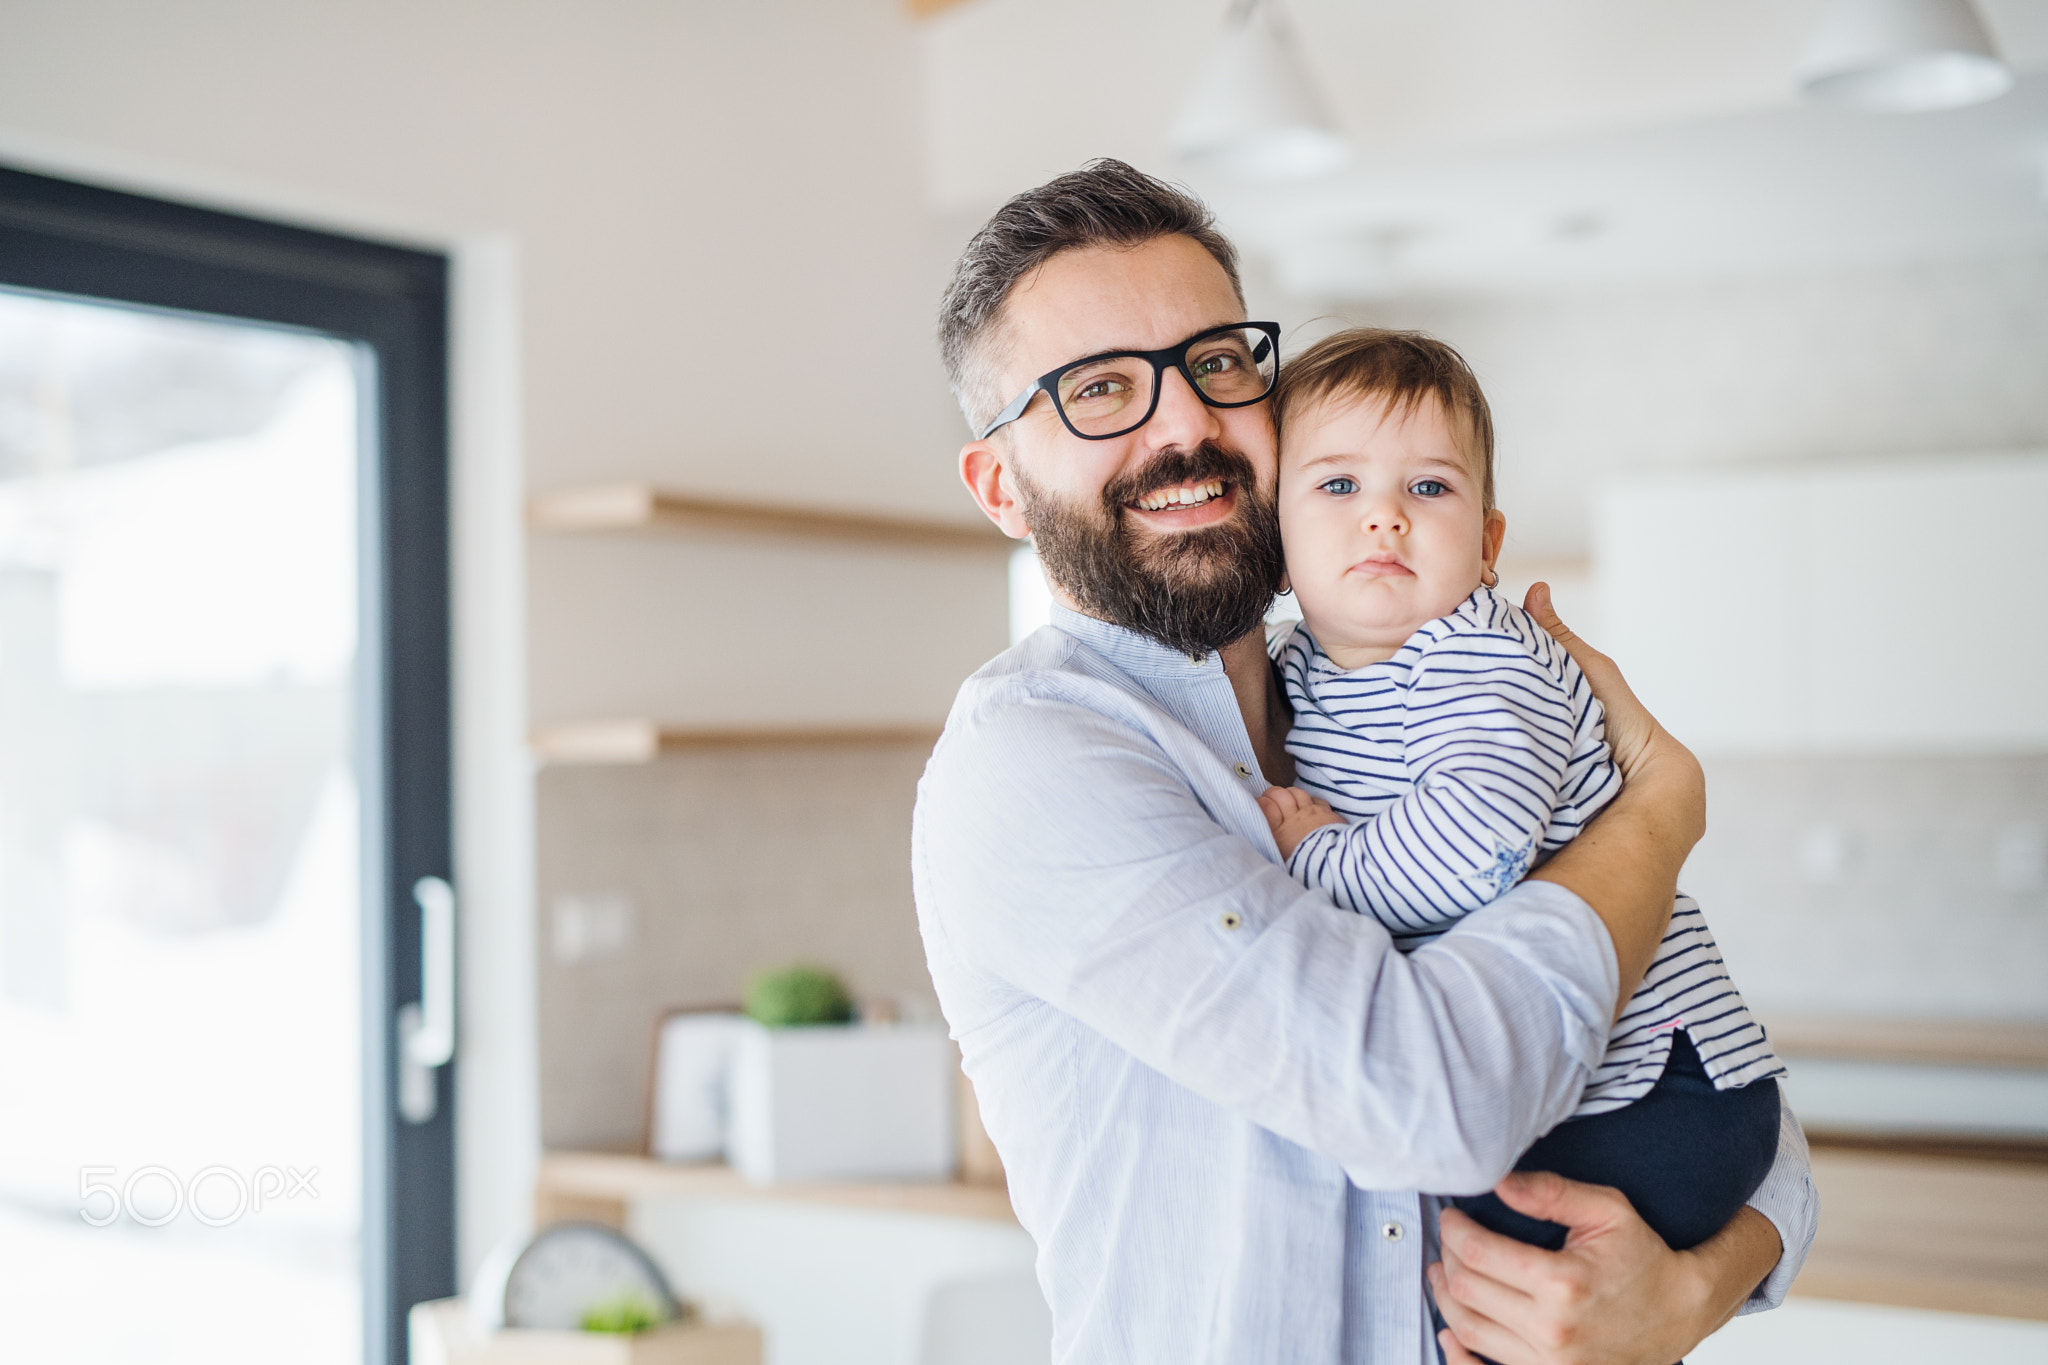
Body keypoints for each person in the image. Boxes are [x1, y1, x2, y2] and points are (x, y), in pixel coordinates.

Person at [912, 159, 1816, 1365]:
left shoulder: (1389, 684)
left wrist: (1705, 1278)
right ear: (999, 488)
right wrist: (1656, 815)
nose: (1182, 424)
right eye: (1099, 390)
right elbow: (1426, 1100)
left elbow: (1687, 1040)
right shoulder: (1029, 762)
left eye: (1216, 364)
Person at [1255, 326, 1787, 1263]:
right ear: (1276, 531)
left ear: (1490, 543)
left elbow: (1472, 850)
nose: (1384, 516)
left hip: (1657, 1095)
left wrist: (1318, 855)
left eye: (1429, 486)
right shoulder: (1298, 668)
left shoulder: (1485, 657)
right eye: (1338, 485)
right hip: (1570, 1085)